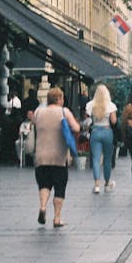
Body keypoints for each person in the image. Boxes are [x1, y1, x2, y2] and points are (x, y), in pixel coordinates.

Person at [33, 87, 81, 228]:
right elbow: (76, 128)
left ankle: (42, 207)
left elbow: (34, 124)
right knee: (59, 187)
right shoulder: (63, 112)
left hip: (41, 156)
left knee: (44, 184)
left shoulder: (38, 112)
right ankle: (57, 218)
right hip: (59, 157)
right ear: (59, 99)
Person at [85, 84, 118, 194]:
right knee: (107, 159)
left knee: (96, 159)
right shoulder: (111, 105)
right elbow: (113, 121)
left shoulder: (90, 105)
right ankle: (107, 183)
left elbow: (87, 120)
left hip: (95, 131)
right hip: (107, 131)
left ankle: (96, 185)